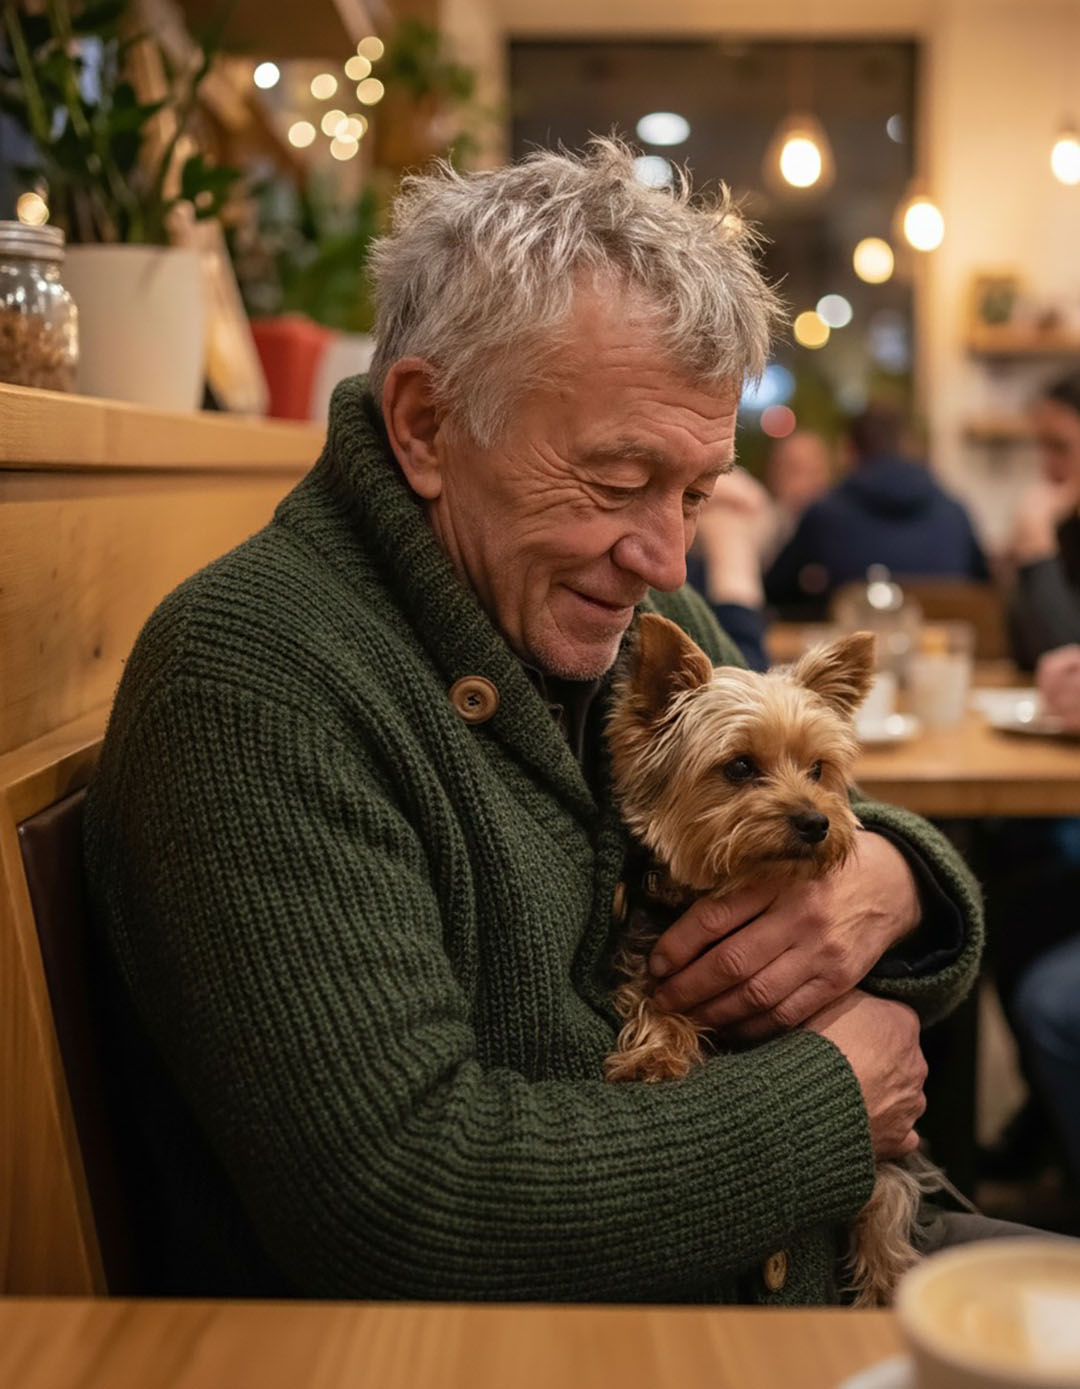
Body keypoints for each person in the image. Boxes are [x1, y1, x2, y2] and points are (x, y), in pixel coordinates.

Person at [84, 141, 989, 1303]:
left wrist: (899, 881)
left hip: (835, 1262)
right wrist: (828, 1101)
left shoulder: (618, 606)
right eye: (617, 480)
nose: (667, 557)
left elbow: (826, 812)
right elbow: (409, 1201)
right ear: (426, 424)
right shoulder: (254, 685)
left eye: (696, 494)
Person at [763, 403, 989, 618]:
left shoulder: (825, 515)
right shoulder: (954, 513)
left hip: (858, 643)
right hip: (944, 643)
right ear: (908, 444)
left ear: (851, 451)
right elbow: (984, 589)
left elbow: (774, 591)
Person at [1006, 372, 1080, 670]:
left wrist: (1038, 554)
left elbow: (1069, 670)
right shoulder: (1065, 525)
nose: (1047, 465)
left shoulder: (1047, 533)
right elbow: (1027, 655)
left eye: (1059, 447)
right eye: (1041, 446)